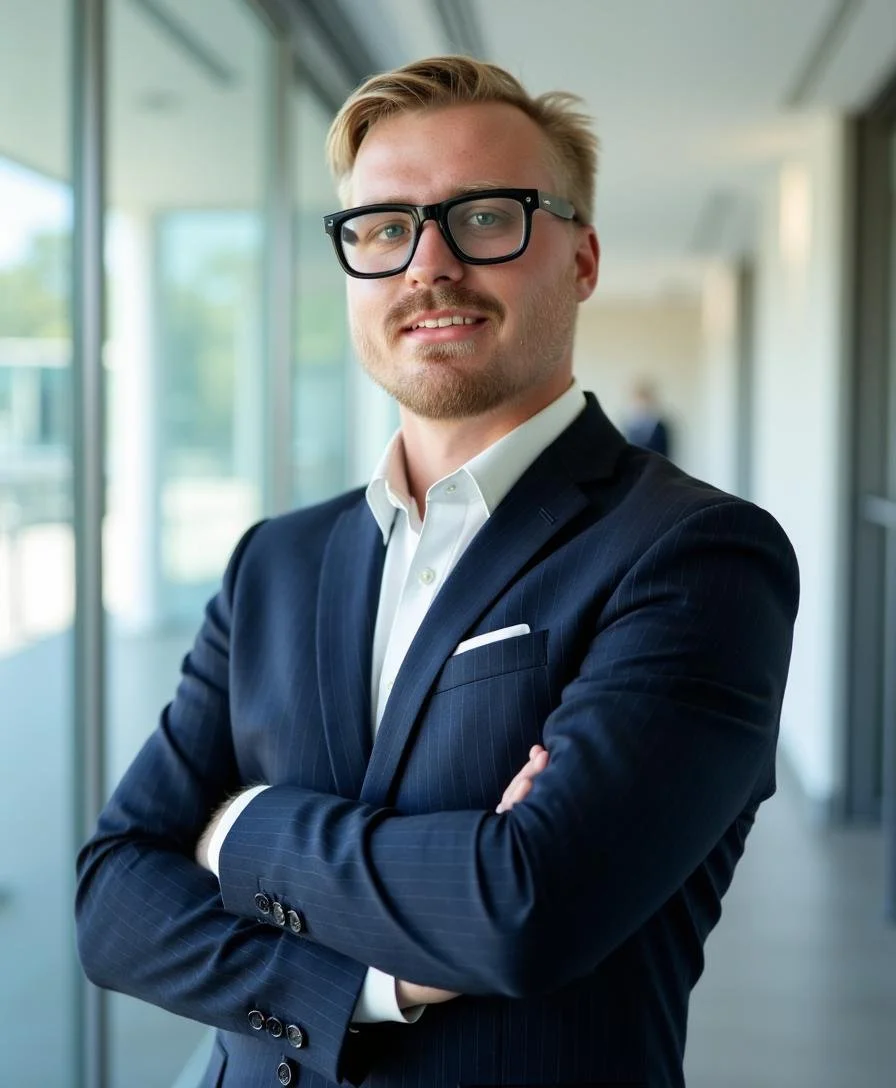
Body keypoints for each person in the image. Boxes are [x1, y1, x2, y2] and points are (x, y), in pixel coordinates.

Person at [76, 55, 799, 1088]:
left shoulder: (695, 552)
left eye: (484, 217)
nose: (427, 266)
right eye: (381, 228)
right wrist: (378, 984)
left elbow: (522, 908)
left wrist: (237, 824)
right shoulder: (275, 558)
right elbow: (112, 899)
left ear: (582, 257)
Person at [624, 380, 672, 457]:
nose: (641, 405)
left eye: (644, 400)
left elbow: (666, 455)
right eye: (638, 401)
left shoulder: (660, 427)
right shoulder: (629, 426)